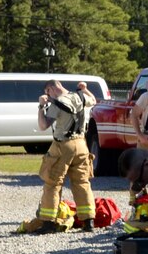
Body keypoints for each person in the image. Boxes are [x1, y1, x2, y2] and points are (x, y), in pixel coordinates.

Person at [27, 79, 96, 232]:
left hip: (63, 145)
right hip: (81, 145)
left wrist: (41, 106)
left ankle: (48, 222)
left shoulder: (57, 103)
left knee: (52, 183)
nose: (47, 95)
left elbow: (43, 125)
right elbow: (94, 100)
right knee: (82, 182)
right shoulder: (80, 97)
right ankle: (88, 221)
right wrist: (84, 89)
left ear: (51, 89)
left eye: (47, 92)